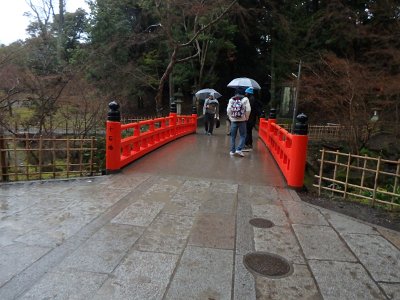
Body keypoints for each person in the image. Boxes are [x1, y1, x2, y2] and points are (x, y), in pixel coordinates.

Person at [227, 87, 251, 157]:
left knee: (232, 136)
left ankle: (232, 151)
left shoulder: (231, 99)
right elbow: (248, 110)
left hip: (233, 121)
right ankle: (239, 149)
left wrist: (231, 118)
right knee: (243, 135)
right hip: (242, 120)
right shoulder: (245, 99)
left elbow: (228, 110)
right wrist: (246, 117)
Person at [243, 87, 262, 151]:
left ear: (248, 93)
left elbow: (248, 109)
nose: (245, 93)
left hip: (249, 118)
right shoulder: (254, 99)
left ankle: (246, 145)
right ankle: (250, 144)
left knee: (247, 131)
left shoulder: (250, 100)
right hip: (252, 118)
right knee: (249, 131)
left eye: (246, 92)